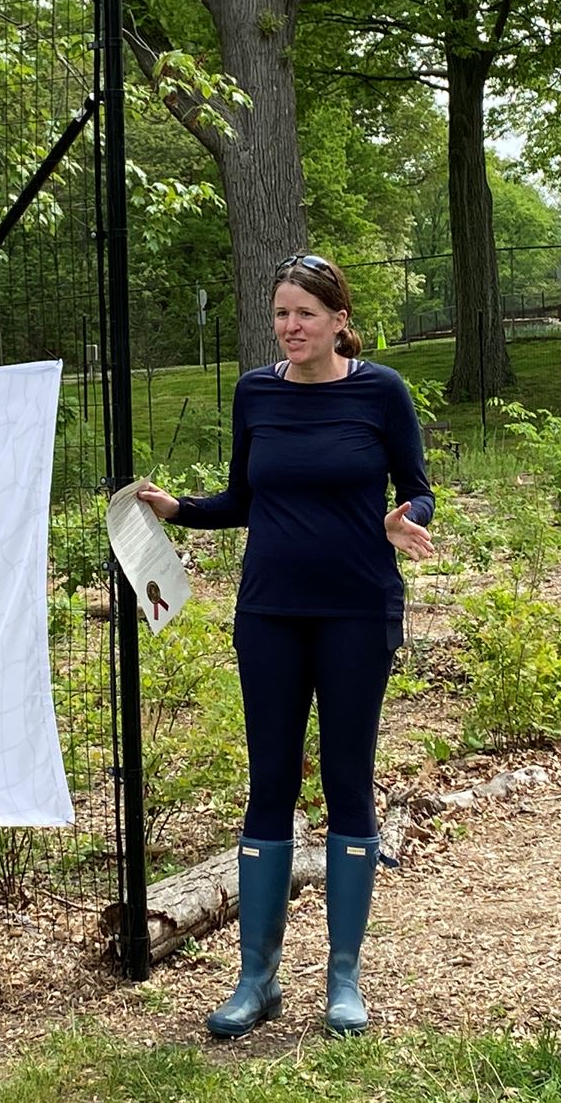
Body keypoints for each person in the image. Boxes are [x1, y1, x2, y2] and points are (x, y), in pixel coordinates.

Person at [135, 252, 434, 1036]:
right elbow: (244, 497)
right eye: (281, 314)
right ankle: (257, 980)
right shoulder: (255, 393)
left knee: (347, 781)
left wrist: (407, 519)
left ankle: (343, 980)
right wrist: (179, 509)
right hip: (269, 613)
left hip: (357, 611)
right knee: (269, 782)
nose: (291, 327)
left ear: (339, 321)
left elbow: (419, 488)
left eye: (305, 313)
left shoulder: (381, 392)